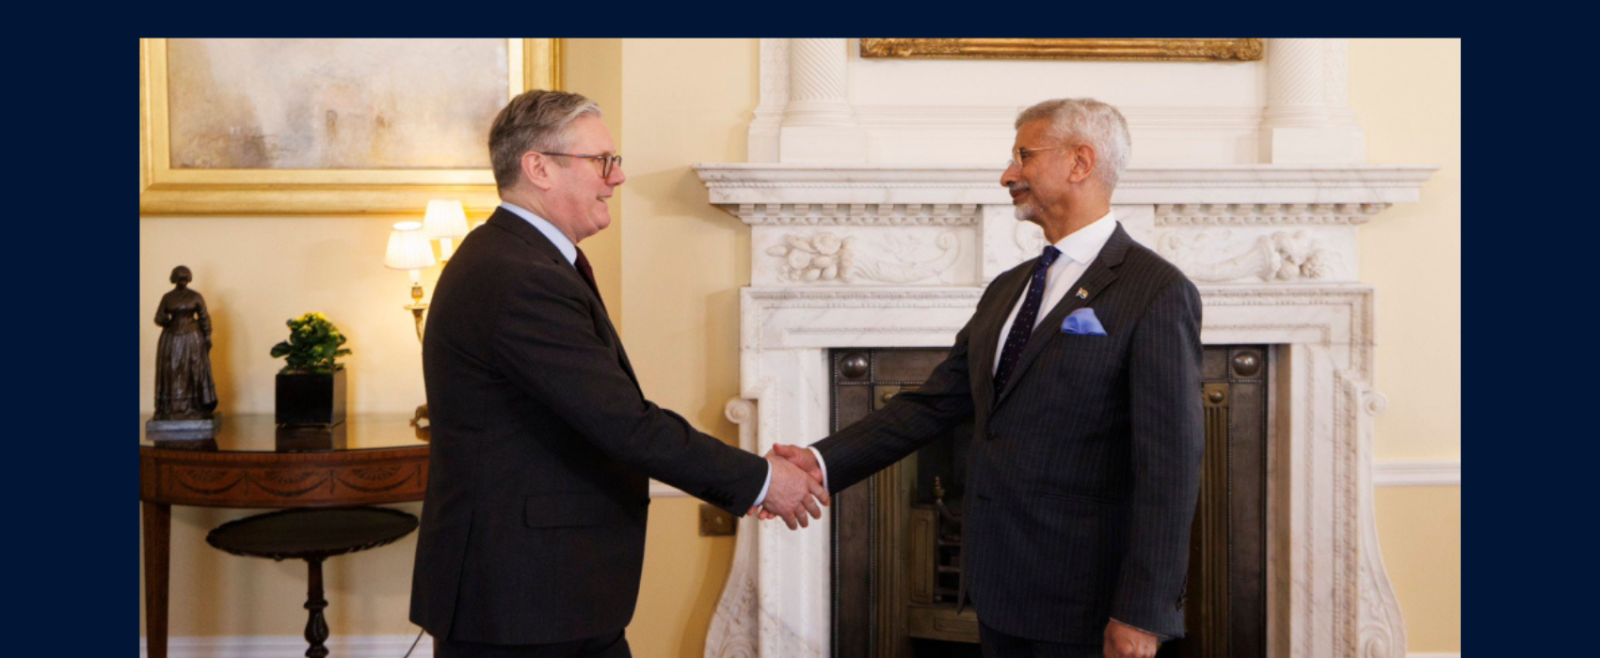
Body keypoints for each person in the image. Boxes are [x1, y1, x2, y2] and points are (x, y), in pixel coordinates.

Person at [772, 98, 1204, 658]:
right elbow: (935, 402)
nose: (1008, 174)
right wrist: (821, 461)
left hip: (1090, 607)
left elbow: (1171, 466)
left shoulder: (1156, 289)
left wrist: (1143, 613)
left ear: (1080, 162)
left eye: (1024, 155)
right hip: (1002, 594)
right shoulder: (1009, 288)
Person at [409, 90, 827, 658]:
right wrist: (760, 478)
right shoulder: (518, 275)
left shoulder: (519, 259)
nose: (619, 176)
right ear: (538, 167)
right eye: (602, 160)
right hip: (522, 603)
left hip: (545, 594)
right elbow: (623, 424)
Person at [152, 265, 217, 420]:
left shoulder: (195, 296)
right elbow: (158, 317)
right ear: (174, 279)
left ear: (188, 279)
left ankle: (195, 405)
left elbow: (204, 317)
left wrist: (207, 336)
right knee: (173, 370)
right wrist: (164, 320)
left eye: (185, 279)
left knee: (193, 370)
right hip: (172, 338)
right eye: (179, 279)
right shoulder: (167, 297)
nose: (182, 282)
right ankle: (171, 407)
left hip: (192, 338)